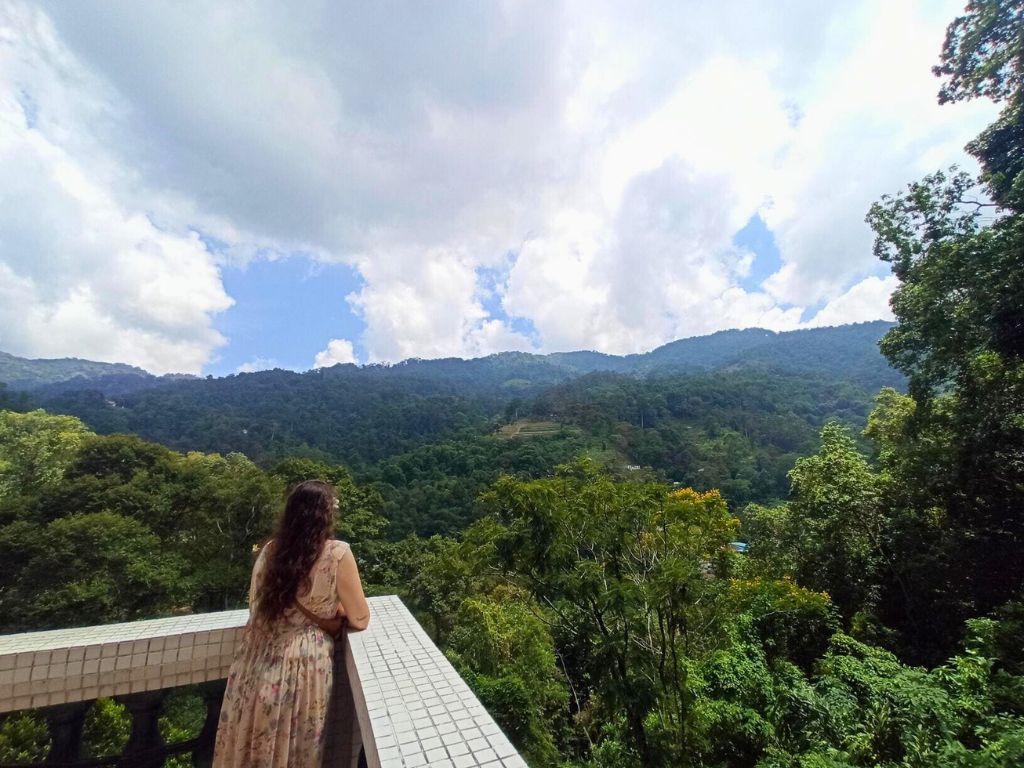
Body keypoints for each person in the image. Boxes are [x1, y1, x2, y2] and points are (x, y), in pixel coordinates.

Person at [213, 479, 370, 767]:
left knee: (249, 749)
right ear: (325, 516)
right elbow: (360, 618)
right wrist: (329, 609)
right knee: (294, 750)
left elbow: (255, 604)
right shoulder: (337, 554)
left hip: (254, 661)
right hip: (302, 666)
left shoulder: (270, 551)